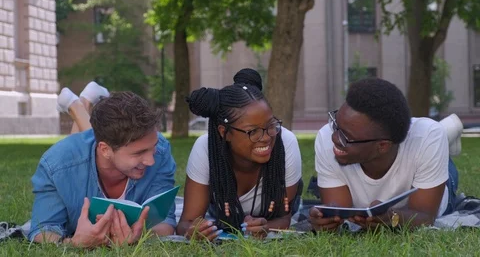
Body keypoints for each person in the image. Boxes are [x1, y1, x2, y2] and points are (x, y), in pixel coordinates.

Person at [28, 82, 177, 247]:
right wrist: (74, 243)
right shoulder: (57, 166)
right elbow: (43, 230)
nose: (151, 161)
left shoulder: (160, 150)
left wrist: (139, 235)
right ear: (105, 150)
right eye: (139, 153)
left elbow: (165, 223)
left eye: (153, 148)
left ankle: (80, 103)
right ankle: (79, 103)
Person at [309, 78, 459, 231]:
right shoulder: (327, 138)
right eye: (336, 124)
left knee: (440, 153)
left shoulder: (428, 137)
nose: (334, 137)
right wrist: (327, 220)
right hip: (414, 147)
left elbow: (426, 217)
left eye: (346, 137)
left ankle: (446, 134)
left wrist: (394, 217)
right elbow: (339, 214)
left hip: (426, 158)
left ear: (382, 146)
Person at [176, 68, 302, 240]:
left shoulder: (285, 142)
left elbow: (284, 218)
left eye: (271, 125)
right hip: (220, 213)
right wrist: (195, 231)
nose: (266, 138)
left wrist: (267, 227)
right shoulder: (205, 148)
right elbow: (186, 222)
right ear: (224, 132)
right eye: (253, 131)